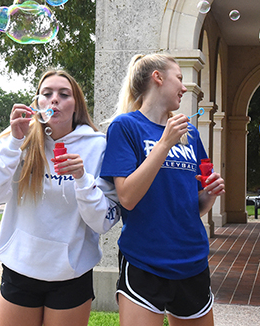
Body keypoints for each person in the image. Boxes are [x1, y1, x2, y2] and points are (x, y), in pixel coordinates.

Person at [0, 69, 120, 326]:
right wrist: (14, 145)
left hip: (72, 272)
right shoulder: (15, 140)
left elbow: (103, 222)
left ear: (76, 106)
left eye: (64, 94)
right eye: (47, 94)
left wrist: (82, 178)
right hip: (20, 268)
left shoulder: (97, 146)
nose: (54, 99)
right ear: (37, 103)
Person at [100, 53, 225, 326]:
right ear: (158, 77)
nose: (183, 87)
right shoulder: (126, 127)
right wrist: (164, 144)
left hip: (192, 259)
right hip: (145, 260)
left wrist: (210, 194)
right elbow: (127, 198)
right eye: (179, 78)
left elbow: (196, 207)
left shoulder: (188, 134)